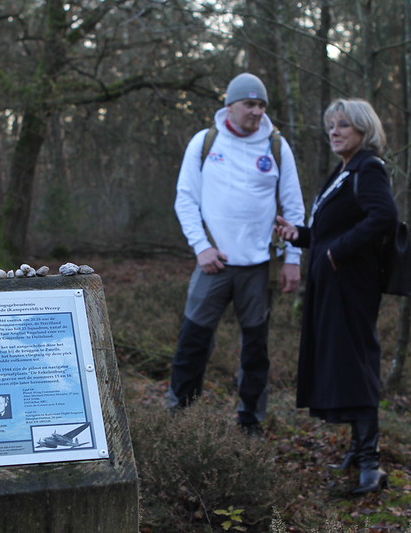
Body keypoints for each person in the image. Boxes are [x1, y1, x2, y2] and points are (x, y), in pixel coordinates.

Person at [167, 72, 306, 434]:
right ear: (230, 106)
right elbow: (186, 200)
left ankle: (250, 423)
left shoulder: (276, 146)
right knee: (192, 342)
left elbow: (293, 207)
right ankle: (181, 418)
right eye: (250, 104)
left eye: (261, 105)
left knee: (256, 350)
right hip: (213, 264)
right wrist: (201, 247)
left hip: (259, 267)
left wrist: (293, 259)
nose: (256, 111)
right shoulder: (205, 143)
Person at [276, 98, 398, 493]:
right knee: (343, 364)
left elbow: (384, 218)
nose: (334, 131)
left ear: (364, 130)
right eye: (331, 125)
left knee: (357, 363)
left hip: (352, 285)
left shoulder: (369, 168)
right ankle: (358, 448)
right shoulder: (343, 171)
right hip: (332, 283)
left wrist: (336, 251)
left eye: (343, 124)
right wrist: (302, 234)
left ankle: (370, 464)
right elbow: (330, 230)